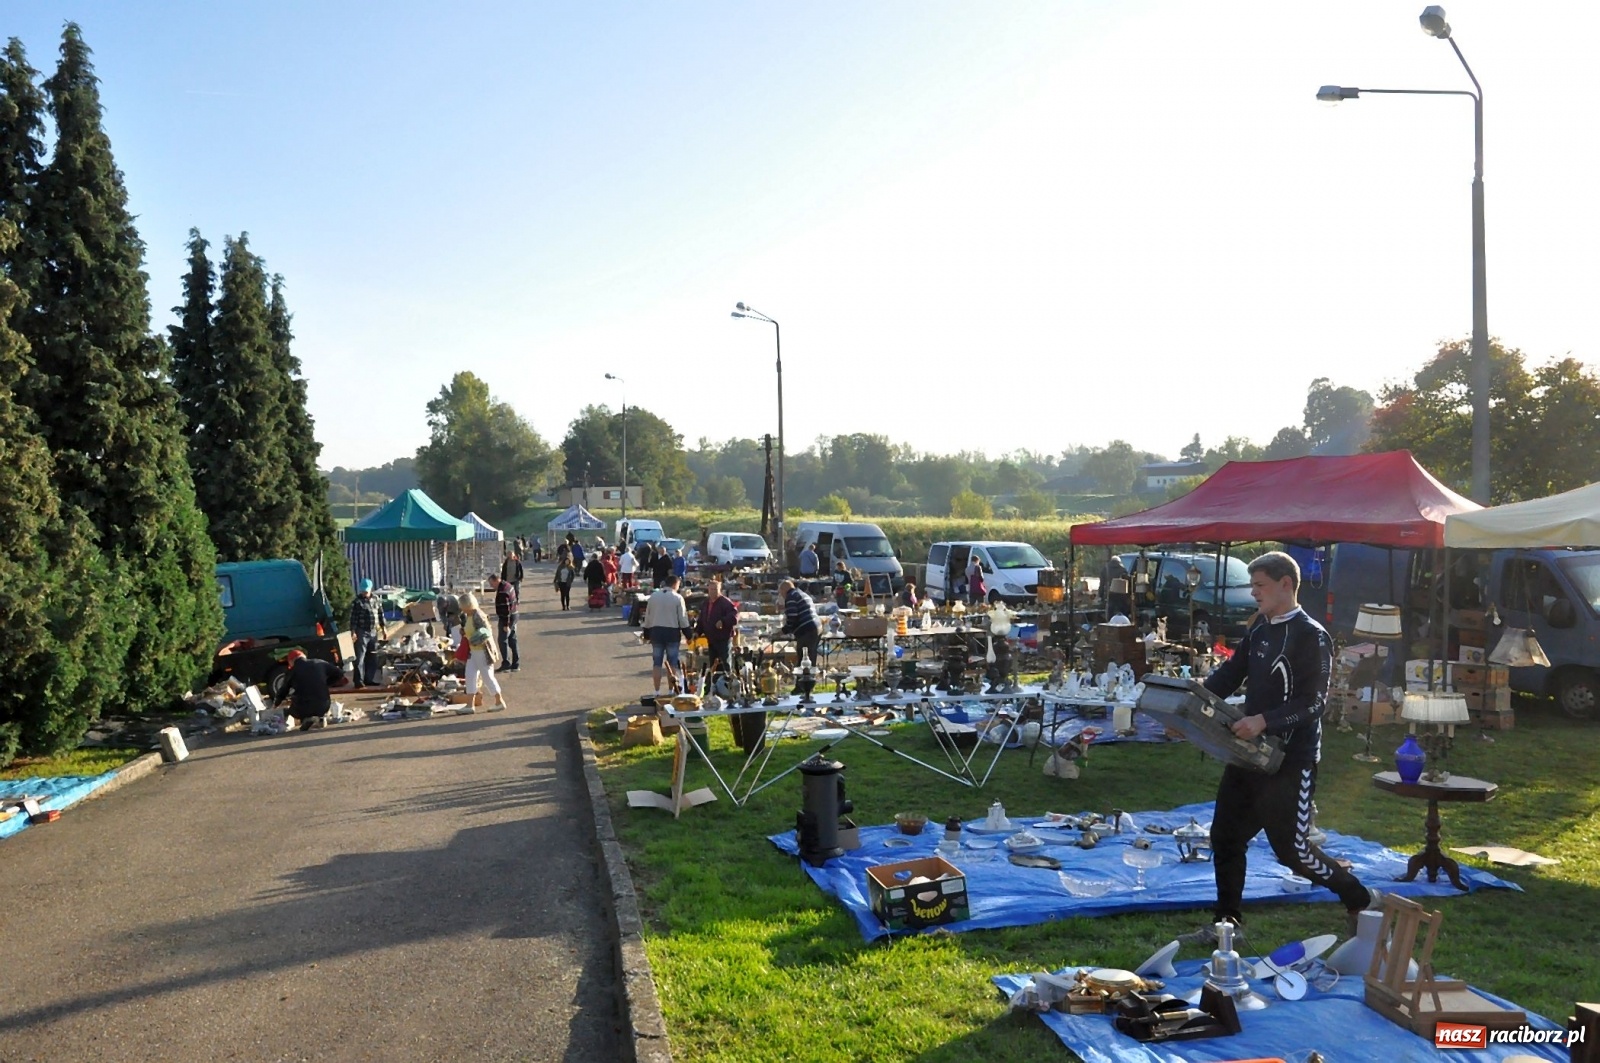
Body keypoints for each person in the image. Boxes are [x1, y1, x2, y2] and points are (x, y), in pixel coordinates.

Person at [1183, 551, 1380, 948]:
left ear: (1286, 584)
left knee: (1292, 852)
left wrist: (1263, 720)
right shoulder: (1259, 630)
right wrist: (1187, 705)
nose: (1253, 592)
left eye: (1260, 585)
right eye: (1253, 585)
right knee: (1225, 837)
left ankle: (1360, 898)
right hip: (1248, 753)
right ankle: (1228, 925)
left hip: (1292, 758)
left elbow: (1315, 703)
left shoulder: (1311, 635)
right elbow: (1228, 676)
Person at [640, 574, 691, 694]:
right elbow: (683, 619)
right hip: (672, 633)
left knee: (657, 663)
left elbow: (648, 616)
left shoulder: (654, 596)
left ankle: (656, 691)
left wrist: (646, 634)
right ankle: (670, 690)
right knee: (672, 662)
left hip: (656, 632)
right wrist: (688, 635)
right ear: (675, 584)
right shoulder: (677, 598)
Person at [457, 592, 507, 712]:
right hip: (473, 651)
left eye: (462, 605)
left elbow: (486, 631)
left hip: (482, 651)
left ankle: (499, 701)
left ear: (467, 605)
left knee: (487, 676)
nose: (461, 608)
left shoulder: (477, 614)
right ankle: (470, 705)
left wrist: (473, 639)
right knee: (470, 676)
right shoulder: (469, 615)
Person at [279, 649, 351, 731]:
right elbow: (339, 673)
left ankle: (306, 719)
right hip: (324, 705)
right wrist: (327, 683)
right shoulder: (319, 662)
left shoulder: (291, 671)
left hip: (303, 707)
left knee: (291, 709)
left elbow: (283, 690)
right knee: (311, 701)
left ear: (291, 661)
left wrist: (277, 703)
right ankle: (320, 718)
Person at [347, 578, 388, 688]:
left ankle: (369, 678)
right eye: (362, 591)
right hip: (361, 631)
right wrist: (353, 631)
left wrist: (384, 628)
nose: (364, 593)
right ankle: (358, 681)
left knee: (373, 656)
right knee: (360, 657)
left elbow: (380, 614)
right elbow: (353, 618)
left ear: (370, 589)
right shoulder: (357, 602)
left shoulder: (376, 599)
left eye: (366, 591)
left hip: (373, 632)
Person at [696, 578, 739, 673]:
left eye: (715, 589)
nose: (713, 592)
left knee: (725, 663)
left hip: (723, 638)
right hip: (711, 639)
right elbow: (702, 619)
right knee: (713, 665)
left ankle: (728, 683)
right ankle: (714, 684)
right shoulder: (706, 603)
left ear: (720, 590)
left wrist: (723, 621)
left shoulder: (725, 602)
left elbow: (735, 616)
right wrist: (697, 632)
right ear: (708, 590)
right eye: (711, 589)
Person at [779, 578, 821, 671]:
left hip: (806, 629)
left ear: (783, 590)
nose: (781, 595)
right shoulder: (801, 594)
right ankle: (809, 681)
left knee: (803, 659)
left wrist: (783, 631)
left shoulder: (791, 597)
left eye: (781, 592)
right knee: (811, 657)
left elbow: (792, 617)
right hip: (816, 627)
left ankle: (803, 684)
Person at [490, 572, 519, 672]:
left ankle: (506, 663)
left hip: (506, 618)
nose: (491, 586)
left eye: (491, 583)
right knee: (512, 639)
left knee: (502, 640)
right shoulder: (508, 585)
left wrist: (506, 624)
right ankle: (516, 663)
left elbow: (506, 609)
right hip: (515, 614)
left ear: (496, 580)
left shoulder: (502, 592)